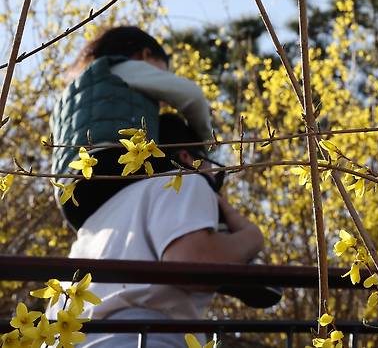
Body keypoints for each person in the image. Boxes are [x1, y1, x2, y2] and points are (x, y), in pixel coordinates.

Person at [46, 113, 265, 347]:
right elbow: (192, 264)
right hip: (139, 337)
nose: (212, 175)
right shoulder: (186, 179)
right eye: (210, 167)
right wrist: (252, 236)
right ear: (187, 157)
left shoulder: (98, 218)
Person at [50, 26, 213, 230]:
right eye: (163, 70)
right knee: (179, 148)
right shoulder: (123, 67)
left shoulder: (66, 98)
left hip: (72, 196)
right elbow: (193, 96)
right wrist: (205, 142)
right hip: (112, 163)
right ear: (145, 55)